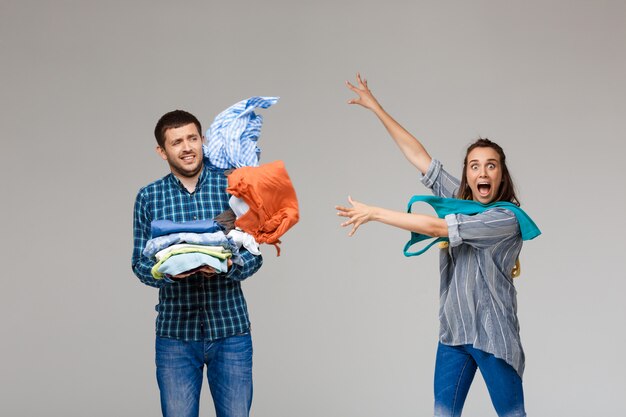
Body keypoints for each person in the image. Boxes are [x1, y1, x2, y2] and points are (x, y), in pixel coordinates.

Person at [336, 74, 533, 417]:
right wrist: (376, 107)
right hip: (454, 334)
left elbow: (436, 226)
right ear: (468, 176)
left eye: (491, 165)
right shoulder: (460, 201)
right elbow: (419, 156)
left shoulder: (506, 219)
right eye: (474, 166)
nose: (482, 171)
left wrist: (375, 213)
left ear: (501, 175)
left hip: (493, 337)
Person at [132, 110, 263, 417]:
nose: (187, 147)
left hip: (231, 331)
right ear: (162, 151)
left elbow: (255, 253)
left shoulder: (233, 187)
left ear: (203, 140)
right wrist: (168, 274)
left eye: (192, 138)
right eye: (176, 142)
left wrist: (230, 266)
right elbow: (139, 262)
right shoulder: (149, 197)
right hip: (175, 336)